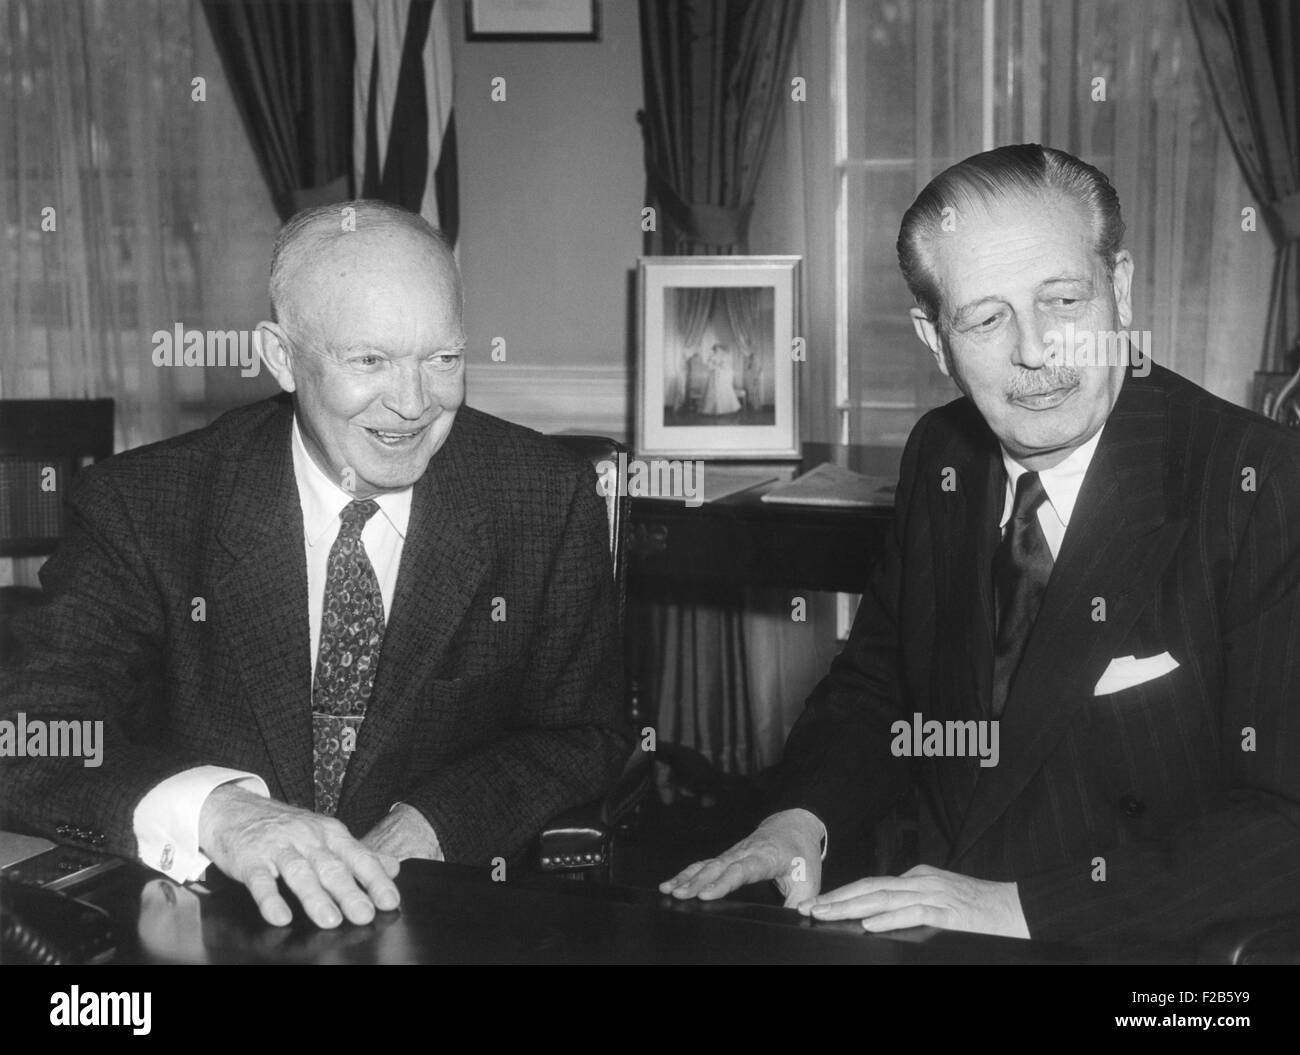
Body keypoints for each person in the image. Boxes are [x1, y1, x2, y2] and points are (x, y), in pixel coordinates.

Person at [661, 144, 1300, 953]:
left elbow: (1286, 821)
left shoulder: (1260, 484)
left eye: (1064, 299)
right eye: (987, 318)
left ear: (1122, 288)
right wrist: (800, 818)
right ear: (936, 340)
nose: (1036, 351)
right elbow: (880, 685)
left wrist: (1021, 907)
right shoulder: (944, 454)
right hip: (940, 923)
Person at [0, 200, 629, 930]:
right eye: (370, 360)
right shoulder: (146, 505)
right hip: (209, 921)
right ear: (281, 357)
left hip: (434, 915)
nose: (415, 403)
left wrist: (431, 823)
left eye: (443, 358)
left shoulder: (542, 497)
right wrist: (221, 811)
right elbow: (29, 732)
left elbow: (584, 733)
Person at [701, 343, 742, 416]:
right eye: (715, 349)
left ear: (720, 349)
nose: (717, 350)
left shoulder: (724, 356)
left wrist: (721, 365)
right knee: (712, 391)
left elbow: (727, 367)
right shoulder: (711, 356)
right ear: (714, 350)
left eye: (718, 349)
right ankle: (712, 409)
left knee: (724, 390)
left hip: (722, 376)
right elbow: (709, 366)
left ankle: (726, 408)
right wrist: (714, 365)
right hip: (713, 376)